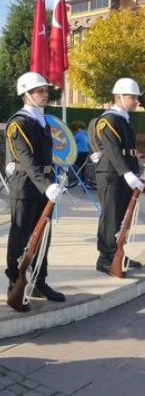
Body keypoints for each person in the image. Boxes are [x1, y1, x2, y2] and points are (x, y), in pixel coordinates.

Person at [5, 72, 65, 310]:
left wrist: (54, 180)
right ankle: (14, 283)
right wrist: (46, 185)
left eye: (46, 90)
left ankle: (39, 281)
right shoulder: (18, 123)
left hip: (44, 184)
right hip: (26, 187)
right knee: (20, 237)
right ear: (26, 94)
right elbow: (27, 160)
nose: (45, 94)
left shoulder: (43, 120)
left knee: (43, 236)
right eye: (39, 91)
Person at [94, 77, 144, 274]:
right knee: (111, 216)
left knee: (124, 217)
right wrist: (127, 173)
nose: (136, 101)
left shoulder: (123, 119)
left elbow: (127, 150)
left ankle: (118, 252)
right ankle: (105, 258)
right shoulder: (109, 119)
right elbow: (113, 150)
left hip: (124, 172)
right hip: (112, 174)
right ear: (120, 96)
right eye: (133, 97)